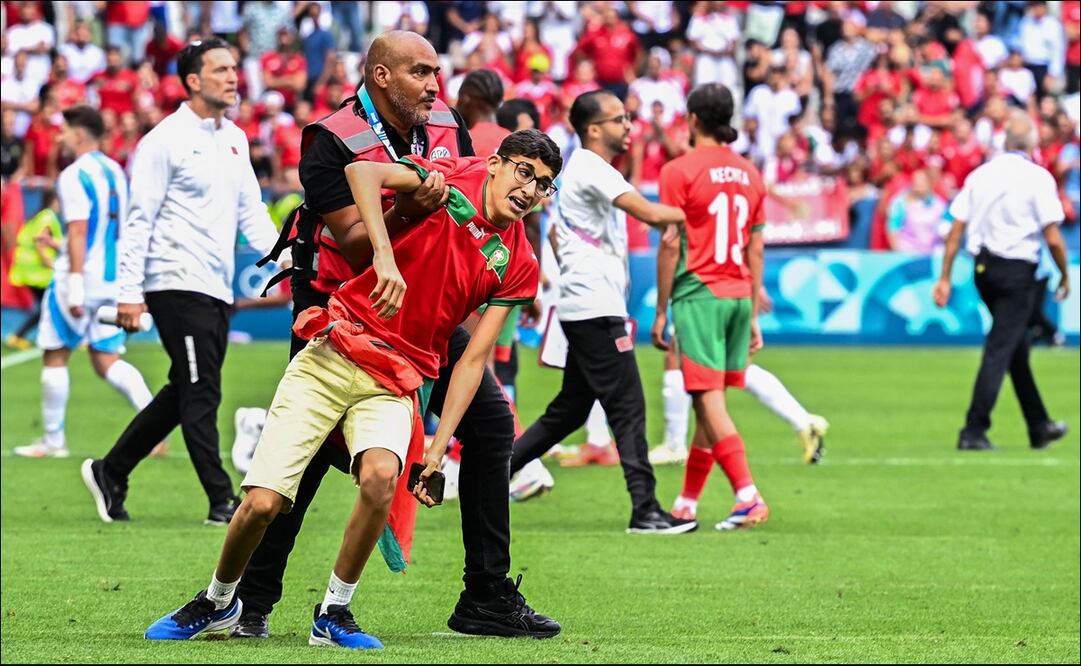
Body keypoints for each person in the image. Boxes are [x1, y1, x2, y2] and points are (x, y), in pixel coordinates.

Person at [143, 130, 563, 648]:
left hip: (397, 379)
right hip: (336, 350)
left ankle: (334, 611)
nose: (530, 190)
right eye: (524, 172)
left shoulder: (517, 262)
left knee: (383, 477)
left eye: (543, 185)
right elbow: (361, 172)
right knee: (261, 505)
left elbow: (474, 360)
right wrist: (383, 257)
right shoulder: (449, 176)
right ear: (496, 164)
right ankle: (218, 600)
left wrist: (436, 451)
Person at [229, 31, 554, 641]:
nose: (435, 85)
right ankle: (251, 598)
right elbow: (355, 243)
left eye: (436, 72)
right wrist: (414, 211)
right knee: (315, 455)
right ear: (382, 77)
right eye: (421, 73)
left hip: (421, 310)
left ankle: (486, 594)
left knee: (490, 424)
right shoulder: (331, 135)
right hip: (337, 301)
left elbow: (468, 217)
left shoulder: (447, 127)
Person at [80, 39, 281, 525]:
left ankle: (111, 471)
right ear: (193, 81)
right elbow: (138, 220)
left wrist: (288, 261)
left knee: (186, 387)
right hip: (172, 281)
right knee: (203, 390)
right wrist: (129, 292)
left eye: (234, 68)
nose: (234, 77)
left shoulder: (234, 138)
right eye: (221, 69)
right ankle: (221, 500)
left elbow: (251, 213)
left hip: (214, 286)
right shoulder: (162, 141)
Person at [509, 90, 695, 535]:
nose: (628, 125)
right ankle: (645, 510)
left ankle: (489, 474)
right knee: (628, 405)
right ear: (593, 129)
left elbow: (557, 236)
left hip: (587, 303)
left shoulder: (588, 168)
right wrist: (702, 212)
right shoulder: (590, 166)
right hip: (594, 306)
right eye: (620, 119)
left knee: (569, 412)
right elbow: (649, 213)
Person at [652, 83, 770, 531]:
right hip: (740, 293)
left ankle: (747, 494)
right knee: (709, 400)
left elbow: (669, 242)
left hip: (700, 292)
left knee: (707, 397)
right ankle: (686, 502)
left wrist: (662, 310)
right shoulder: (750, 173)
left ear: (693, 120)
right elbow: (756, 248)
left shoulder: (678, 170)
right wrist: (754, 310)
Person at [11, 107, 155, 460]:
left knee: (55, 355)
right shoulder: (117, 172)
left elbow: (77, 230)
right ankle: (154, 426)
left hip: (76, 279)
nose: (58, 138)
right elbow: (111, 230)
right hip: (111, 278)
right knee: (107, 359)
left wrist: (74, 282)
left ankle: (53, 441)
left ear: (78, 134)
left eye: (63, 132)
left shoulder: (74, 175)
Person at [933, 111, 1070, 451]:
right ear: (1033, 144)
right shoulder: (1038, 178)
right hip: (1017, 271)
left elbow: (956, 229)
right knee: (1000, 348)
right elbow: (1052, 236)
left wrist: (945, 277)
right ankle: (974, 430)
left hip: (983, 270)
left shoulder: (980, 175)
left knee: (1013, 347)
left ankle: (1039, 426)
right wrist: (1065, 274)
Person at [6, 187, 61, 350]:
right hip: (38, 272)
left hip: (27, 269)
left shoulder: (38, 216)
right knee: (49, 305)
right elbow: (41, 245)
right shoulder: (48, 218)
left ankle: (22, 335)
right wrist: (53, 265)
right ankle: (18, 335)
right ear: (55, 201)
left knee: (47, 306)